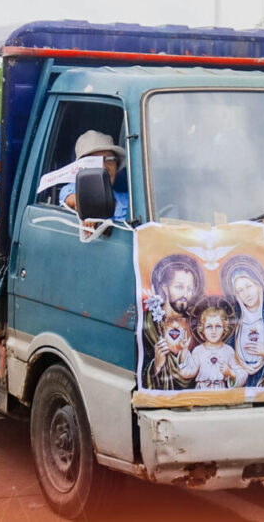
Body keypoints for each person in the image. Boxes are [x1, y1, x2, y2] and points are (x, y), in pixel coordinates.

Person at [141, 254, 205, 391]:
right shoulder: (149, 323)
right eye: (179, 287)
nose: (185, 294)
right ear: (165, 288)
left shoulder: (197, 325)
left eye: (189, 289)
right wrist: (156, 366)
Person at [221, 255, 264, 387]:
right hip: (241, 379)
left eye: (249, 286)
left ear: (258, 286)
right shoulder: (234, 321)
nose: (246, 294)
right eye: (240, 291)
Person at [58, 130, 129, 221]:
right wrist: (87, 209)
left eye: (109, 159)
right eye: (95, 161)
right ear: (82, 169)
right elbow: (70, 198)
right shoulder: (71, 190)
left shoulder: (129, 201)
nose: (104, 167)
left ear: (116, 165)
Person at [177, 298, 247, 390]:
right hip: (202, 391)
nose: (214, 331)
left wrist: (230, 373)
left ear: (224, 328)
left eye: (218, 326)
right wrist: (184, 349)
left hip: (221, 392)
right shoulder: (198, 351)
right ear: (202, 329)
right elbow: (188, 373)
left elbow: (243, 374)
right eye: (209, 326)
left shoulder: (228, 351)